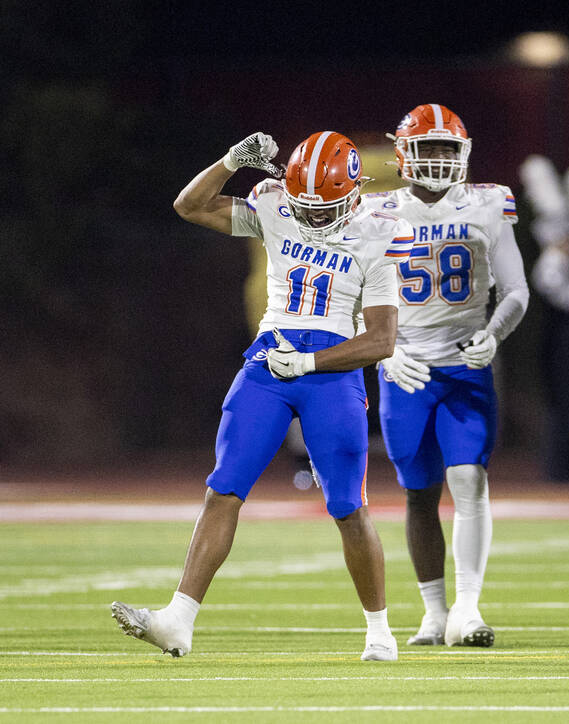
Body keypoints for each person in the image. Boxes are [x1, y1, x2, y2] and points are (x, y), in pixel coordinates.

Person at [111, 131, 413, 661]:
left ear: (355, 191)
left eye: (327, 207)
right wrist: (230, 161)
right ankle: (178, 620)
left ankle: (379, 631)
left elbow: (382, 341)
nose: (314, 217)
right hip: (268, 361)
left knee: (347, 505)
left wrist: (310, 361)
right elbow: (190, 205)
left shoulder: (378, 232)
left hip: (331, 369)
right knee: (223, 487)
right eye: (305, 206)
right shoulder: (275, 205)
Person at [362, 104, 528, 648]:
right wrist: (383, 353)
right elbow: (352, 295)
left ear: (463, 153)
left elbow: (516, 291)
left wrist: (494, 334)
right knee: (418, 493)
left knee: (469, 481)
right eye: (426, 147)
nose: (436, 158)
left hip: (463, 363)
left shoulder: (487, 202)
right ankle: (434, 613)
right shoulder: (374, 209)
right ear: (403, 153)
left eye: (445, 148)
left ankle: (468, 610)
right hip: (404, 368)